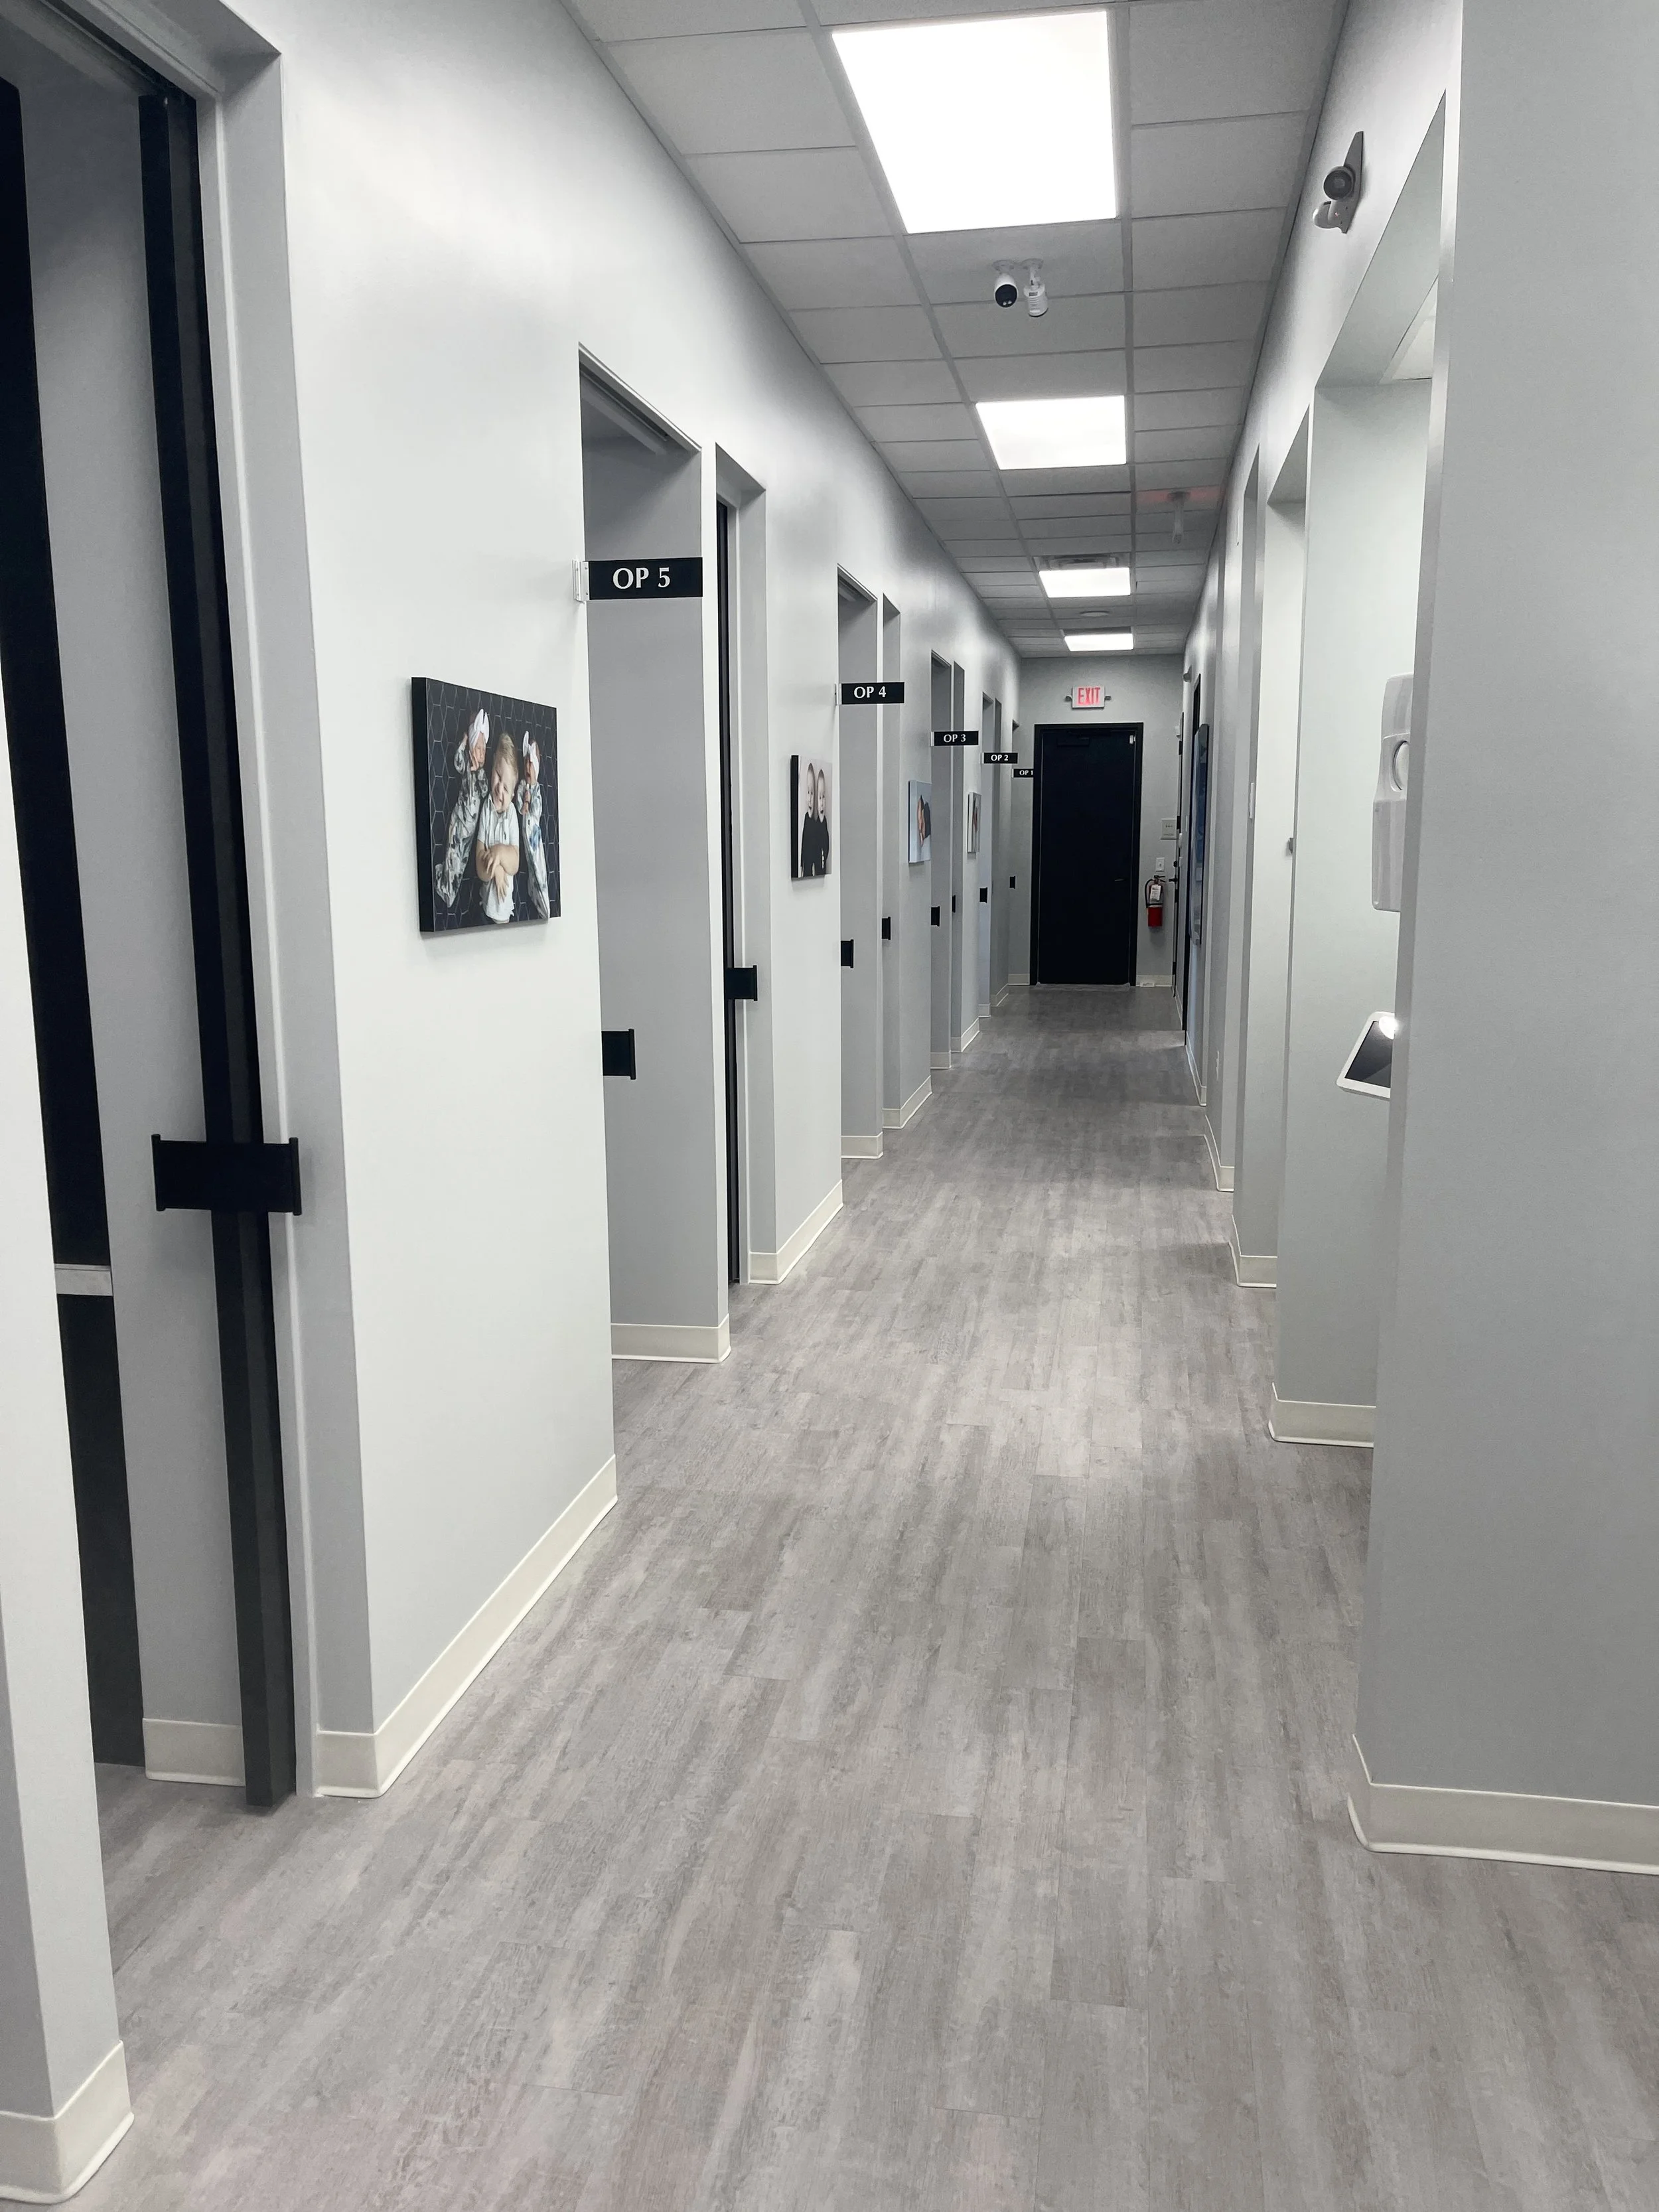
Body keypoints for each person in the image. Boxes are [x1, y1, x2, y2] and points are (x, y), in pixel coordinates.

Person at [474, 730, 522, 923]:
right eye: (498, 775)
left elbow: (515, 863)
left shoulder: (511, 813)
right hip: (485, 908)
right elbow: (480, 866)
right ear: (492, 764)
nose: (499, 789)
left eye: (506, 788)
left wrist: (499, 853)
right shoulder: (487, 807)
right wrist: (497, 870)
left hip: (505, 912)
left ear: (513, 794)